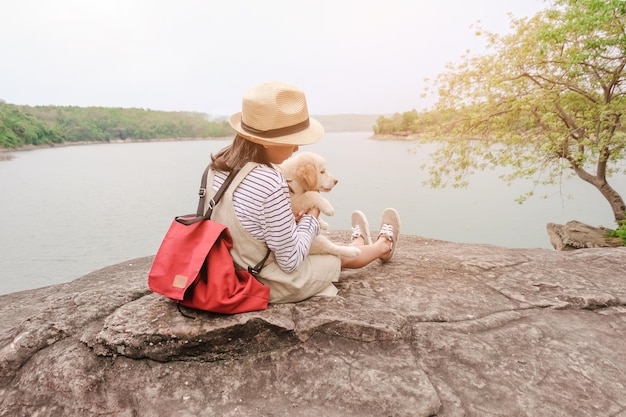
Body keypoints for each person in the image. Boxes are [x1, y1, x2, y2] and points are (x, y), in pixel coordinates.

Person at [205, 81, 401, 303]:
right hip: (266, 281)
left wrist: (286, 222)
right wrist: (312, 217)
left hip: (227, 270)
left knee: (318, 246)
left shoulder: (216, 167)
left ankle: (359, 242)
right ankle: (383, 245)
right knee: (332, 256)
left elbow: (247, 223)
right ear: (267, 142)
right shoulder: (271, 181)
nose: (297, 148)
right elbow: (290, 261)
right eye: (292, 141)